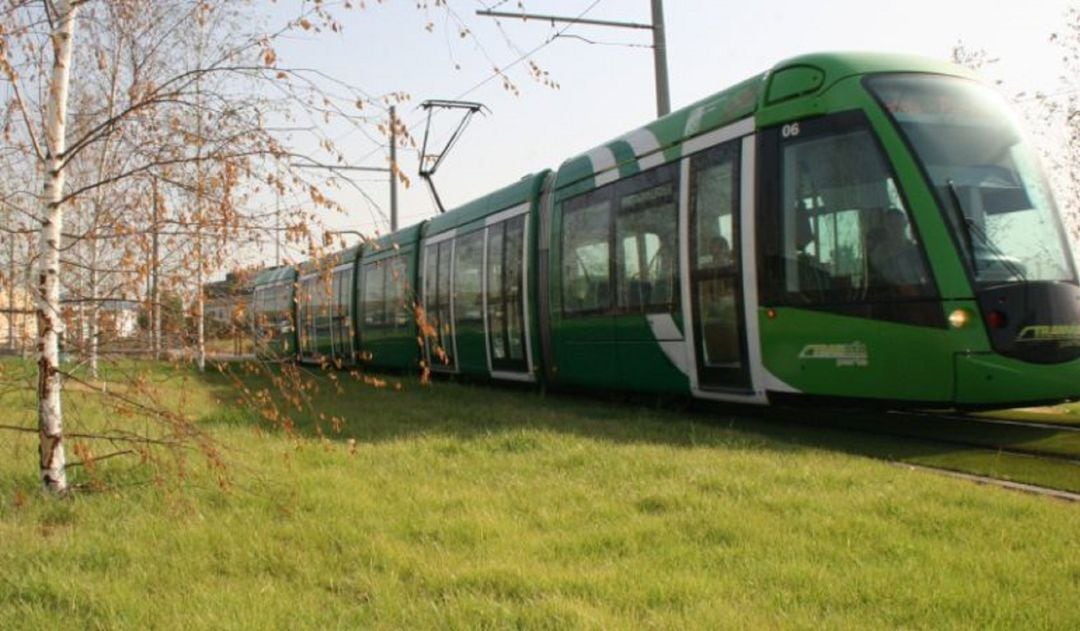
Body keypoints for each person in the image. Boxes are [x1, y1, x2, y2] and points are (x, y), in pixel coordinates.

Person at [869, 208, 926, 287]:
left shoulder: (917, 251)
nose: (895, 229)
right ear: (885, 227)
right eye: (891, 225)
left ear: (905, 224)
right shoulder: (878, 253)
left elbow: (925, 276)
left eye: (898, 224)